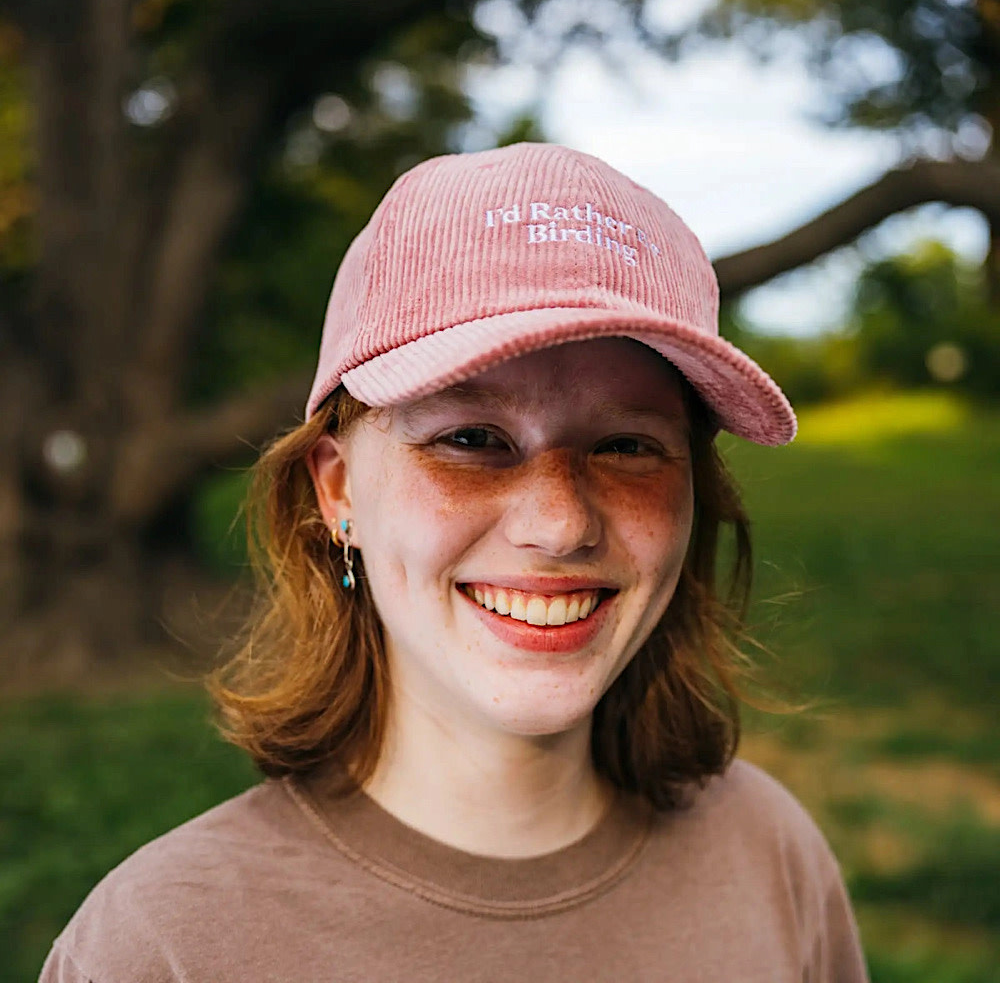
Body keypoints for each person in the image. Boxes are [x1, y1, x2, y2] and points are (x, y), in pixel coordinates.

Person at [40, 143, 868, 982]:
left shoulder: (771, 860)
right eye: (471, 439)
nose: (559, 525)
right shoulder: (162, 947)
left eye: (627, 445)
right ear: (337, 490)